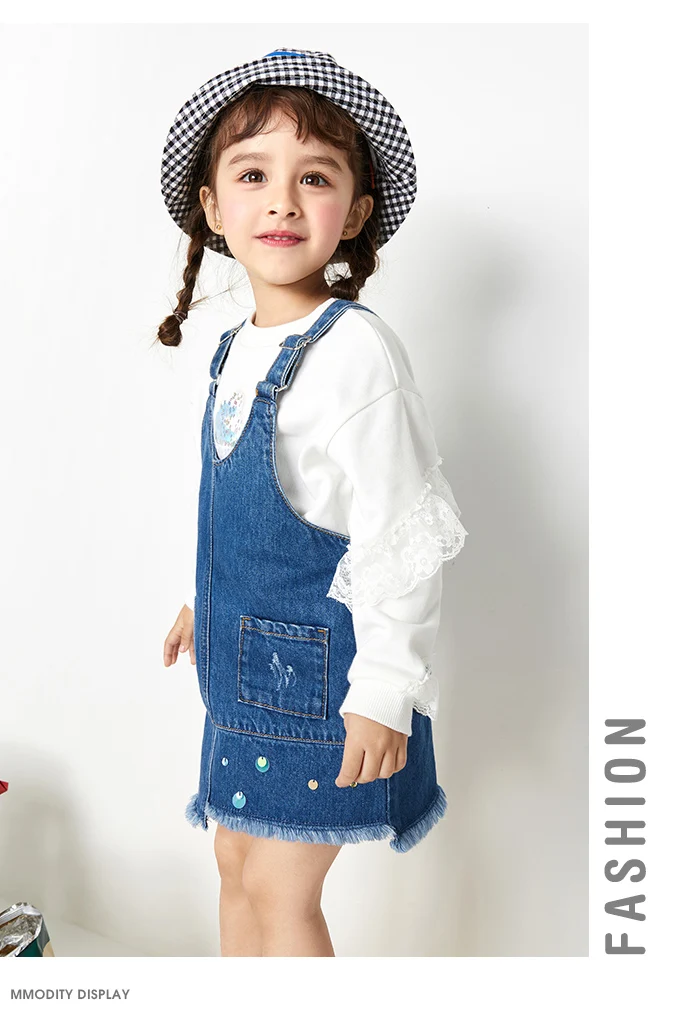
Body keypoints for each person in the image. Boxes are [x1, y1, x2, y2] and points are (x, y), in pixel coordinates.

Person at [158, 47, 468, 957]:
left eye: (316, 178)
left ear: (356, 212)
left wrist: (386, 691)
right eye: (253, 175)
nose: (283, 202)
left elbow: (401, 535)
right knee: (234, 864)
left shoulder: (355, 354)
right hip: (239, 669)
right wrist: (203, 597)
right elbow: (257, 512)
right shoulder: (233, 347)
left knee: (280, 887)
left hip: (320, 686)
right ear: (214, 207)